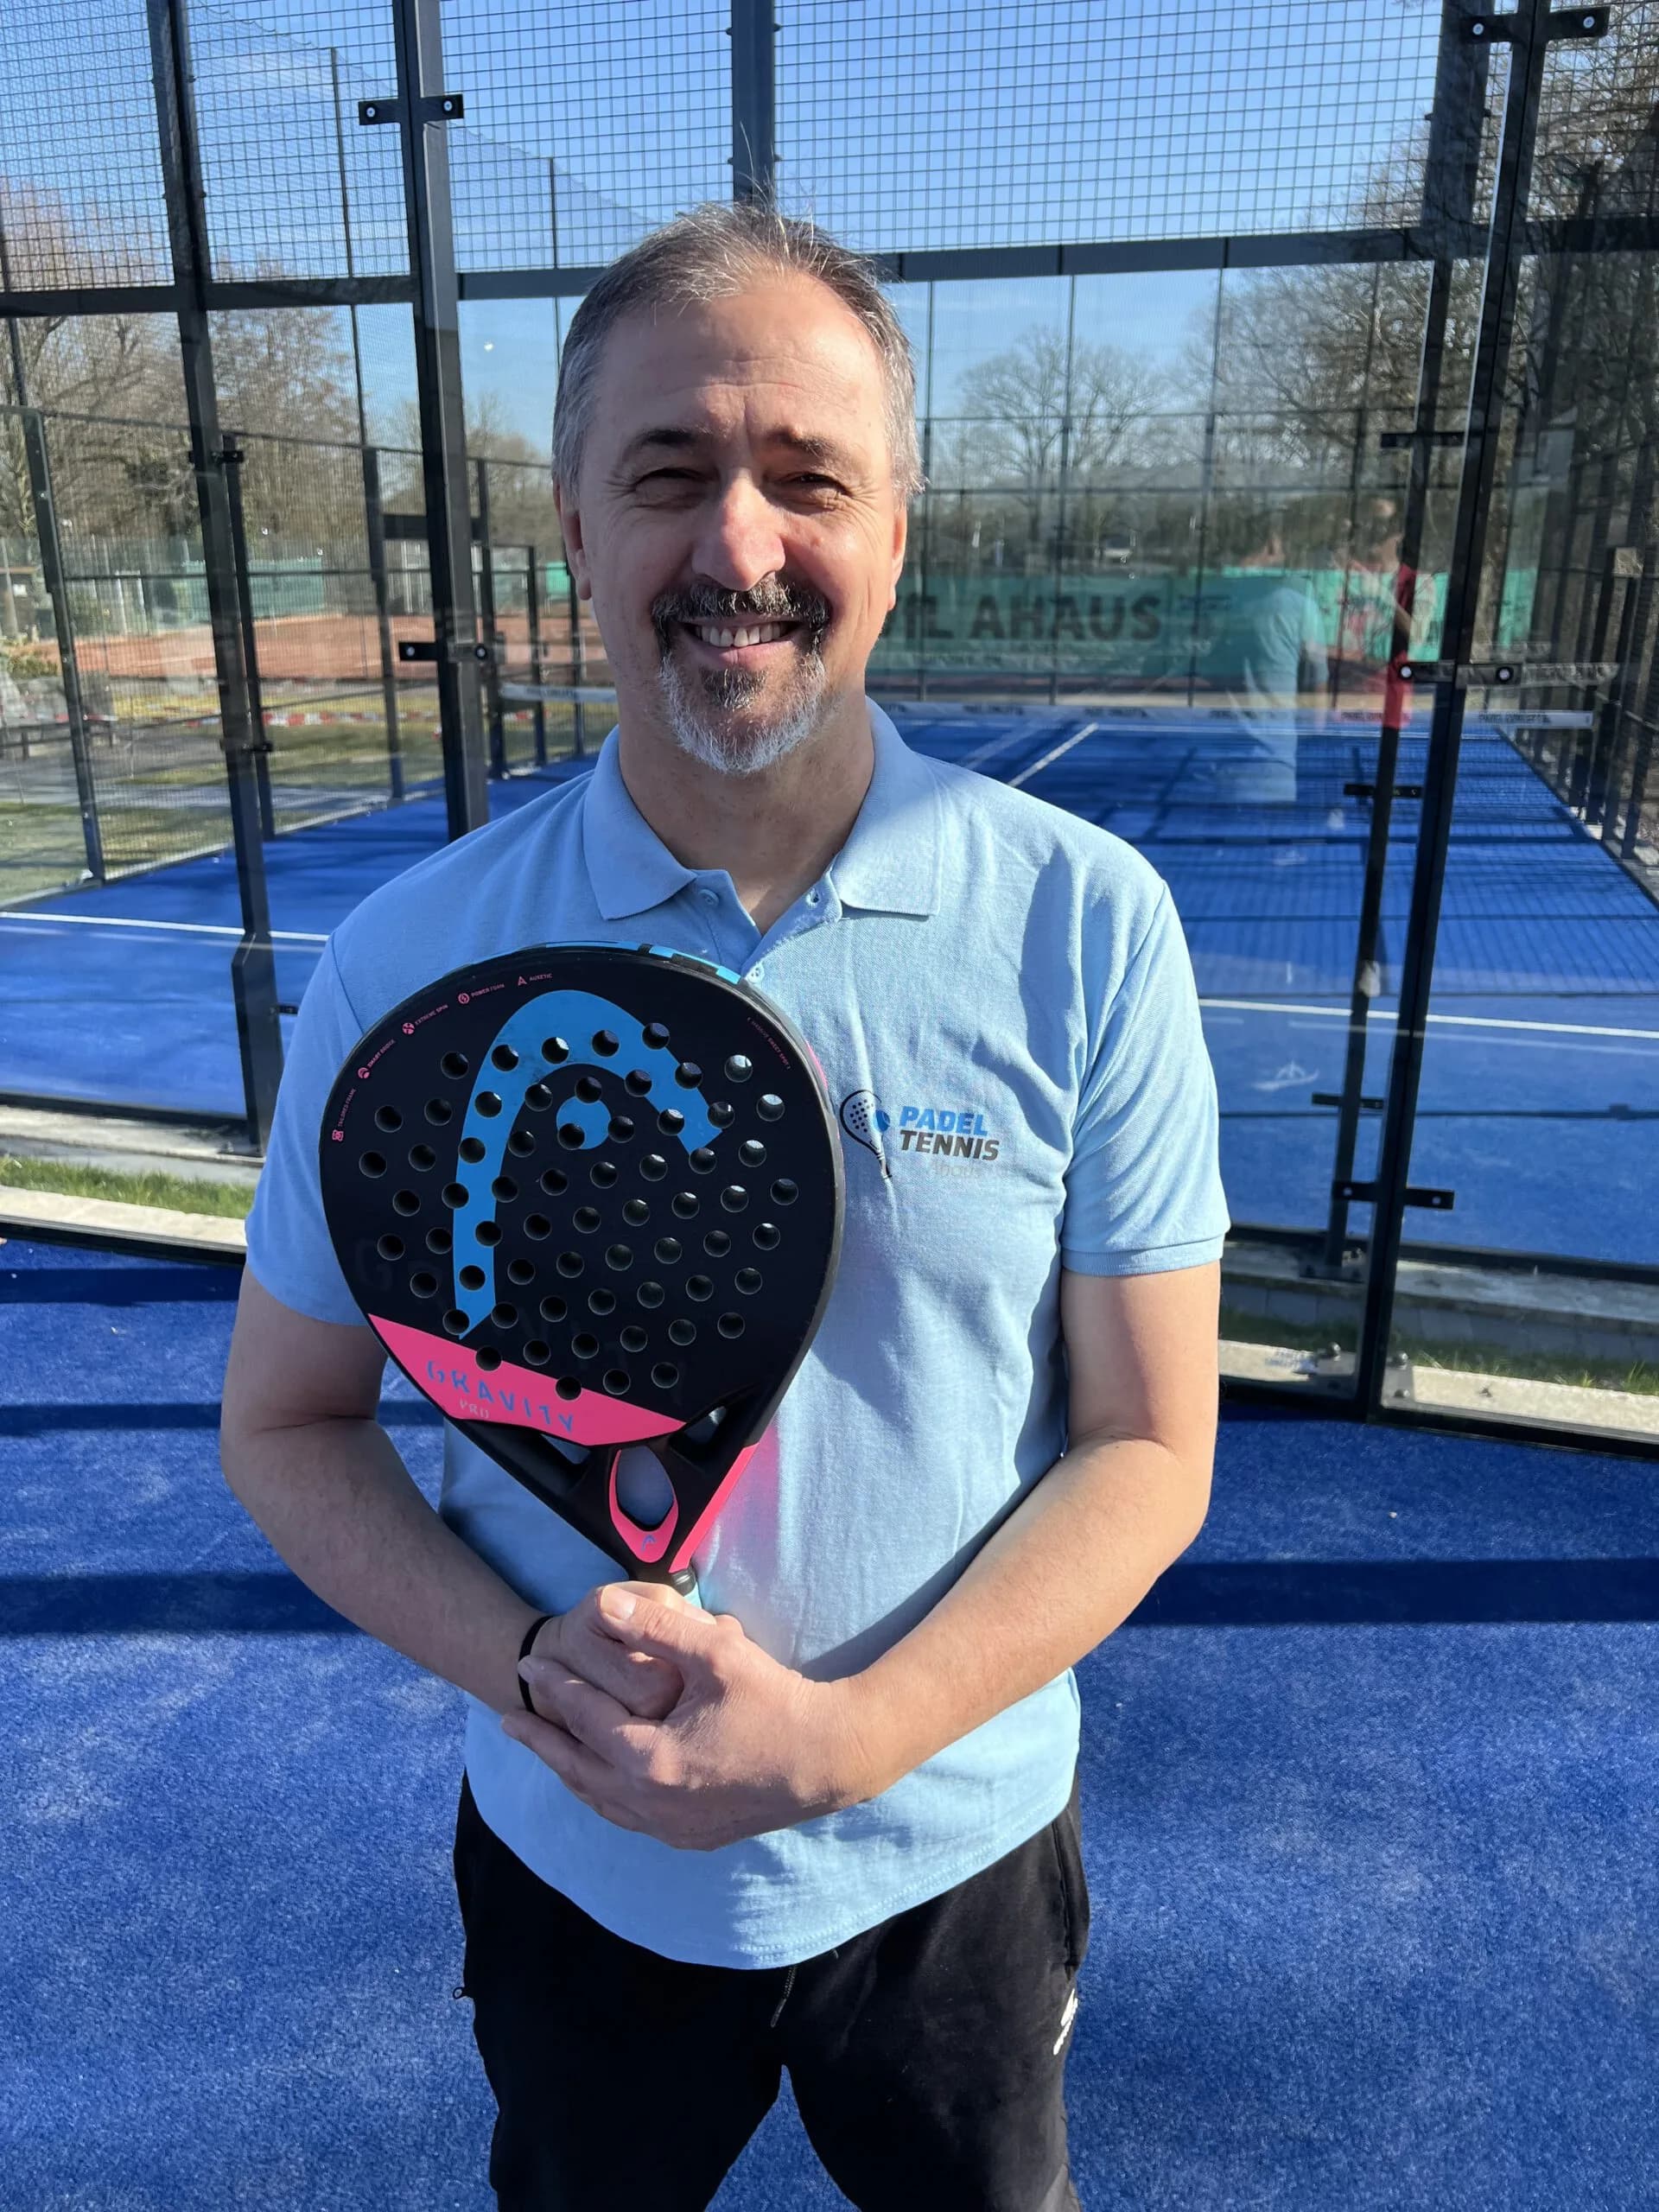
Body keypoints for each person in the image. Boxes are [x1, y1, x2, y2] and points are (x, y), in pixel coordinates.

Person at [219, 200, 1230, 2212]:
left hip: (958, 1867)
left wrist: (853, 1740)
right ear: (577, 532)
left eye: (810, 479)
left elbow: (1150, 1440)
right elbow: (286, 1421)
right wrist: (526, 1662)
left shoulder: (1088, 923)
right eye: (669, 475)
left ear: (897, 527)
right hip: (570, 1864)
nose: (741, 547)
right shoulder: (408, 959)